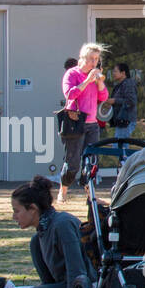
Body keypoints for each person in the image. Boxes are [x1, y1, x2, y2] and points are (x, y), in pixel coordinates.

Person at [11, 176, 92, 288]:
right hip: (64, 287)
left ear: (32, 208)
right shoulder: (40, 236)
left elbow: (77, 271)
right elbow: (49, 281)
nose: (14, 217)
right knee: (34, 243)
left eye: (17, 211)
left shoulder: (62, 224)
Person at [58, 43, 108, 203]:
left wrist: (99, 82)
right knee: (73, 162)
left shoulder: (96, 77)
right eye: (92, 59)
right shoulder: (72, 74)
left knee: (92, 161)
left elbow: (104, 97)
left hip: (92, 124)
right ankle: (63, 190)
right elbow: (70, 94)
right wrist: (87, 80)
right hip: (75, 123)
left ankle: (90, 195)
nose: (94, 63)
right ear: (83, 58)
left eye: (97, 59)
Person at [107, 63, 138, 158]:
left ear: (123, 73)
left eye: (115, 71)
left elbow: (131, 101)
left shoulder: (128, 83)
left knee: (121, 148)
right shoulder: (120, 85)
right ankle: (123, 167)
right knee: (119, 147)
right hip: (122, 121)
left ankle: (125, 168)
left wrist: (115, 101)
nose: (113, 73)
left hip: (125, 120)